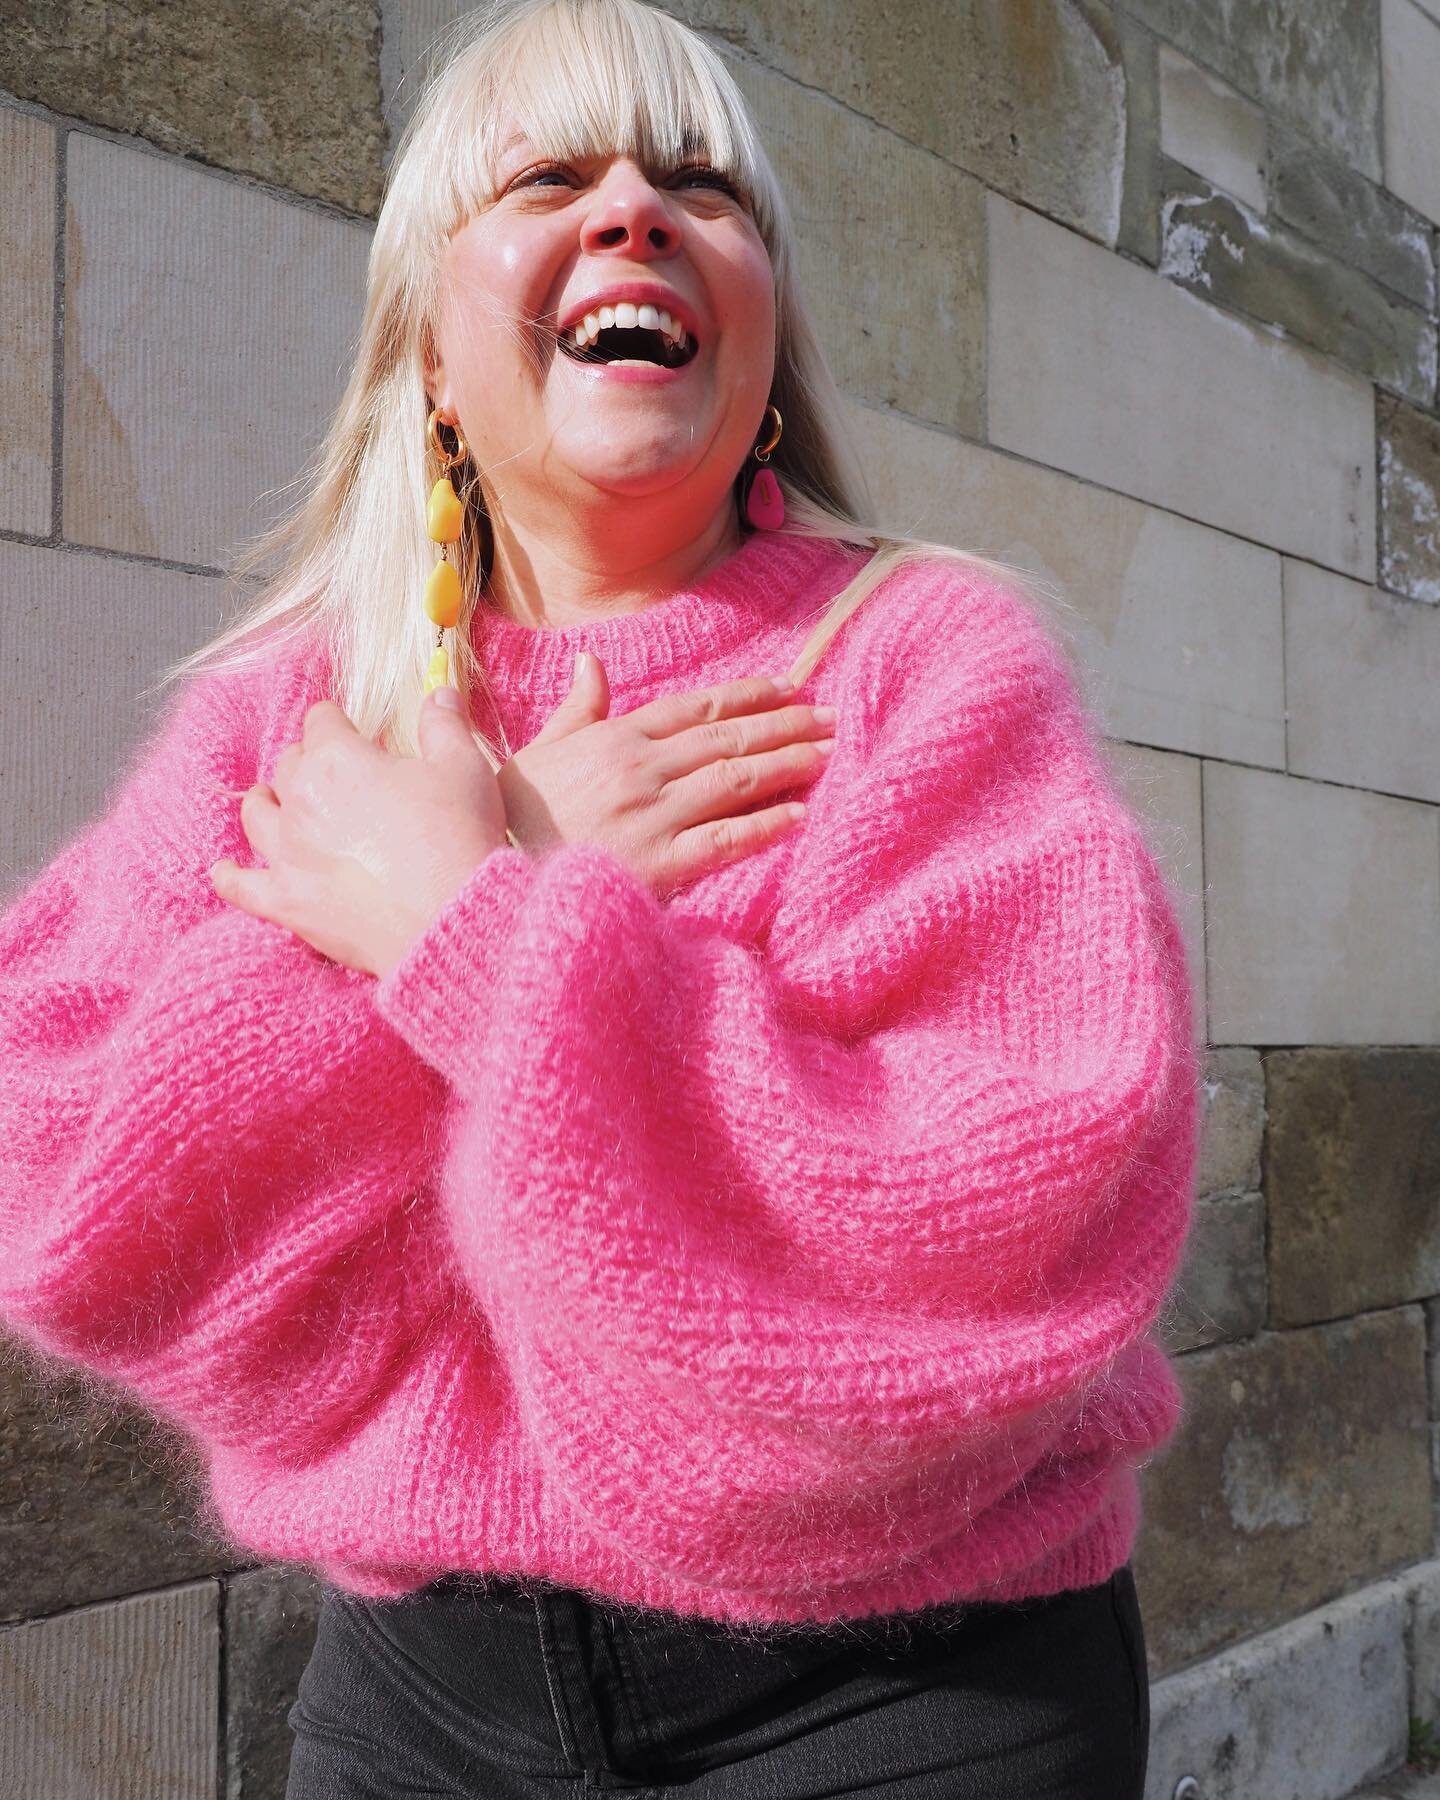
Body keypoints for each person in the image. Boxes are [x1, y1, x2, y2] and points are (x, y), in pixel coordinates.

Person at [0, 0, 1201, 1794]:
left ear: (767, 330)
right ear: (425, 352)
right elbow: (62, 1201)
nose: (635, 208)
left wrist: (483, 942)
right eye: (550, 175)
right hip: (420, 1699)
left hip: (902, 1700)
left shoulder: (925, 662)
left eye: (700, 182)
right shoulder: (293, 720)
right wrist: (482, 893)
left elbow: (1019, 1212)